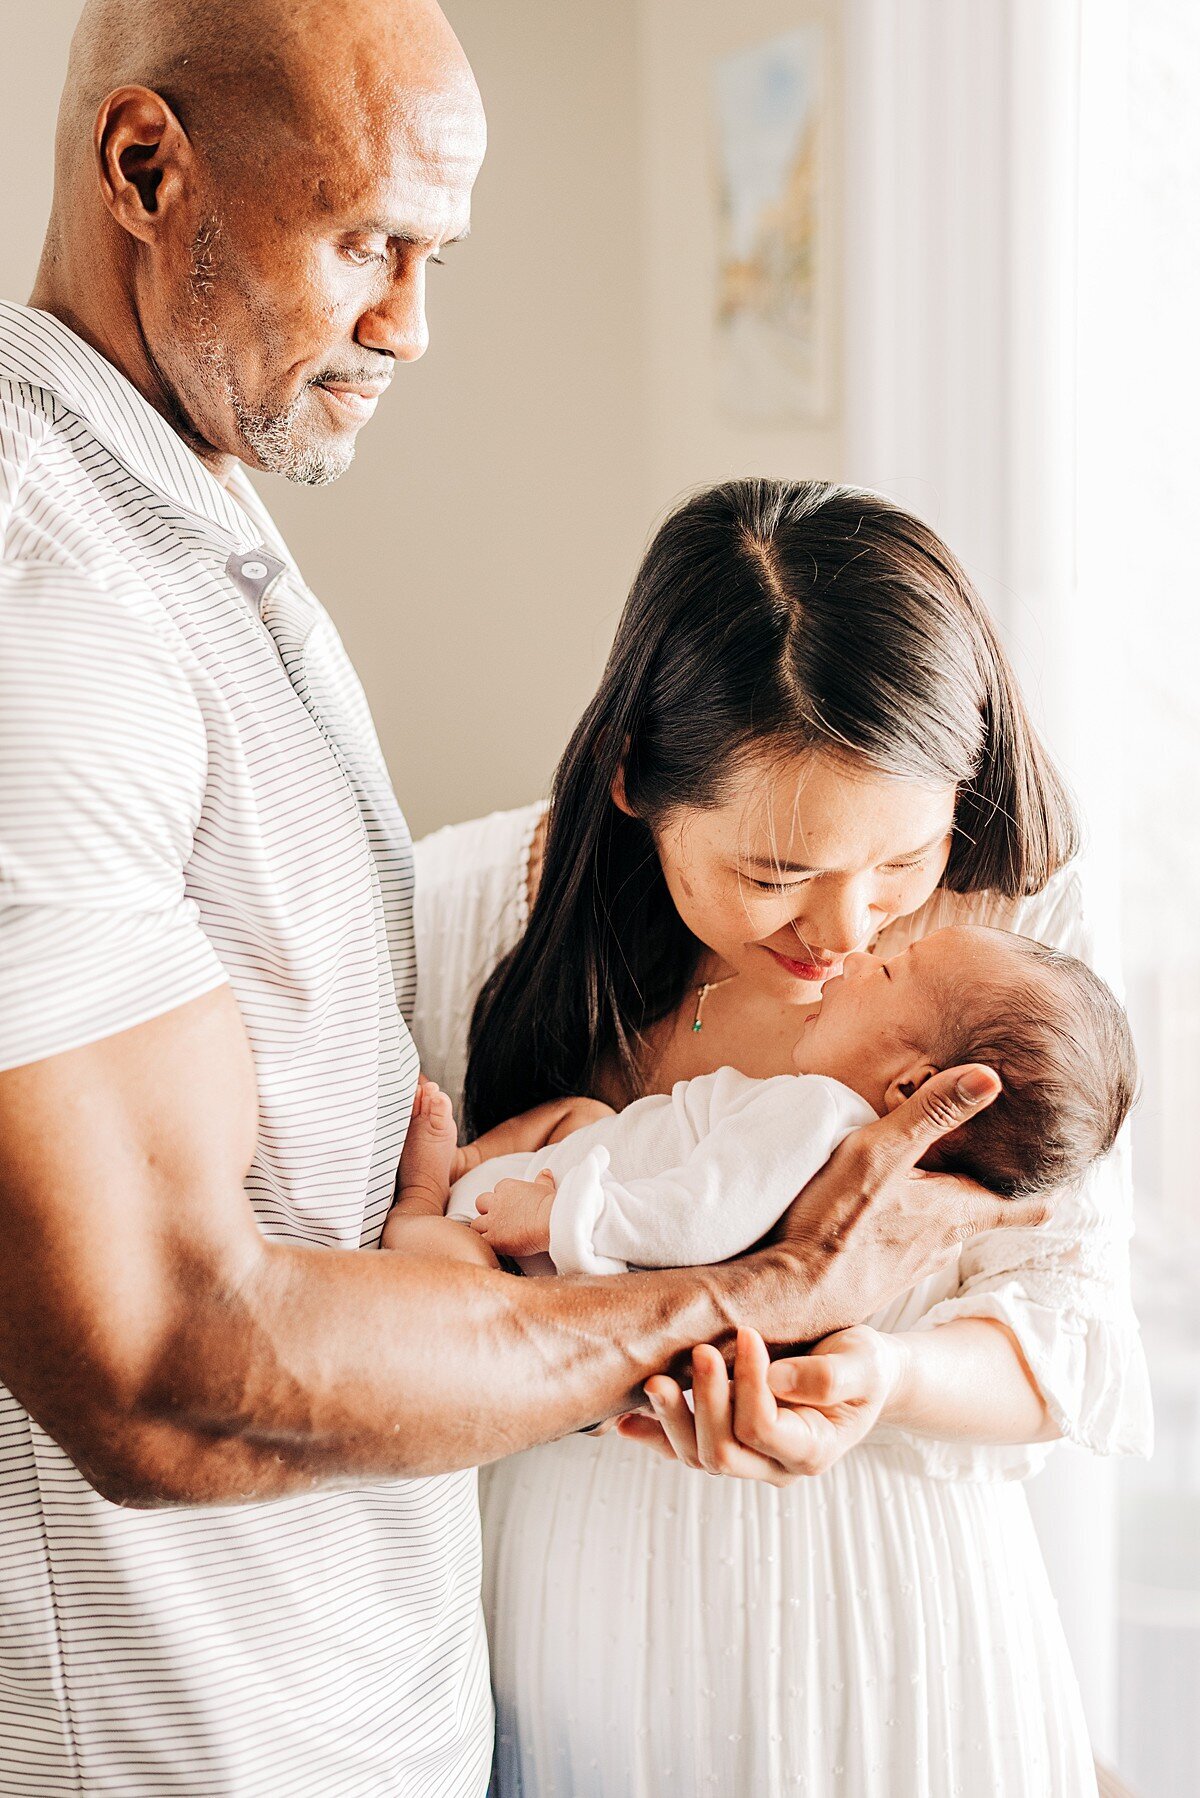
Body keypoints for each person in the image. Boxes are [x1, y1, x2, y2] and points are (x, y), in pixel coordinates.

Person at [0, 9, 1033, 1796]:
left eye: (439, 253)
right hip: (185, 1751)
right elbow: (161, 1365)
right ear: (147, 169)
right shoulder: (49, 612)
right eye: (367, 243)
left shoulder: (192, 540)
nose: (414, 322)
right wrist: (760, 1286)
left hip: (379, 1713)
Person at [411, 479, 1153, 1797]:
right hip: (584, 1628)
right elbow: (349, 1305)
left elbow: (1074, 1344)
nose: (849, 928)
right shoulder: (461, 912)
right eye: (772, 874)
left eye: (902, 860)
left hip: (914, 1643)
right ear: (637, 775)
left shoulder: (1022, 937)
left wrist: (879, 1373)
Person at [389, 924, 1136, 1272]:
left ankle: (423, 1203)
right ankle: (467, 1163)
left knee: (453, 1269)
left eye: (884, 973)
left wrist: (562, 1217)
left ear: (911, 1085)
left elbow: (698, 1219)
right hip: (565, 1184)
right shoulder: (823, 1129)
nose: (853, 958)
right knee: (584, 1116)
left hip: (537, 1251)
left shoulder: (815, 1115)